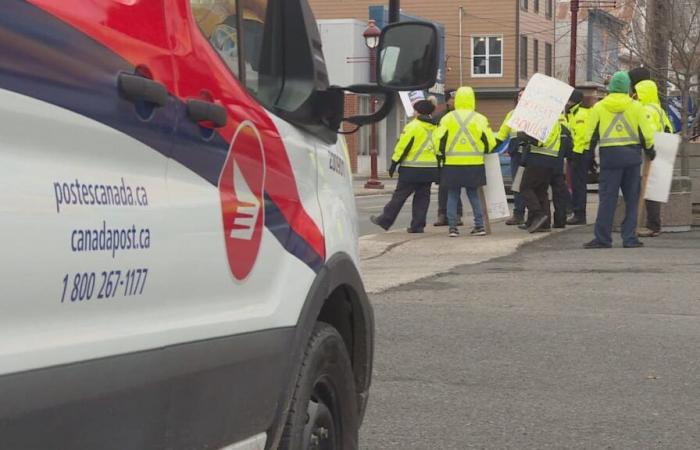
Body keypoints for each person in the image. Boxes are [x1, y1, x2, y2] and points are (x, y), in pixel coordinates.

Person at [582, 71, 656, 249]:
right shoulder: (636, 107)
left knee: (607, 199)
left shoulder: (599, 107)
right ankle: (629, 237)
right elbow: (645, 132)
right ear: (627, 88)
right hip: (632, 157)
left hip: (609, 158)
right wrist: (650, 149)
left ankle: (602, 238)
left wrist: (588, 155)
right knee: (632, 199)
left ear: (610, 87)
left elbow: (590, 134)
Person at [370, 92, 439, 233]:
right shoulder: (436, 128)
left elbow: (403, 146)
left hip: (411, 169)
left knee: (399, 196)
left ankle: (385, 220)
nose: (414, 112)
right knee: (422, 198)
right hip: (430, 170)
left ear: (419, 112)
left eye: (415, 110)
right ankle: (418, 226)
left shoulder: (413, 127)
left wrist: (394, 163)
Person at [434, 86, 496, 237]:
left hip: (452, 164)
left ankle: (453, 228)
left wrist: (441, 155)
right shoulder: (480, 118)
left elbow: (437, 140)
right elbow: (490, 142)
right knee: (473, 195)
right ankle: (479, 226)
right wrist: (484, 151)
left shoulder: (447, 118)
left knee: (452, 195)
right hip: (474, 163)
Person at [631, 74, 675, 238]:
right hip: (663, 149)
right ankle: (653, 224)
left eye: (637, 92)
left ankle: (652, 225)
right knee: (654, 190)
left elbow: (647, 132)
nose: (634, 95)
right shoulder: (659, 109)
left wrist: (648, 149)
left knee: (650, 190)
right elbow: (669, 129)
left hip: (652, 152)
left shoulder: (647, 110)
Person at [516, 117, 569, 233]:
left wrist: (522, 134)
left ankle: (538, 214)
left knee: (525, 188)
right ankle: (544, 224)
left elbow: (538, 141)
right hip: (551, 160)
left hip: (538, 159)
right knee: (540, 192)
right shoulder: (557, 124)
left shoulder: (543, 121)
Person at [496, 88, 527, 226]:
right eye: (519, 95)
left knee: (533, 185)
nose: (521, 98)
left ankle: (535, 214)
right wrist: (491, 147)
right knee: (517, 184)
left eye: (524, 95)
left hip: (532, 152)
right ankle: (518, 214)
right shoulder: (512, 114)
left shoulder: (537, 115)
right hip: (517, 154)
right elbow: (502, 134)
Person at [433, 89, 463, 226]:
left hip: (460, 157)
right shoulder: (439, 117)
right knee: (444, 187)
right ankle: (442, 214)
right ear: (446, 101)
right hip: (444, 157)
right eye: (453, 99)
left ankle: (457, 215)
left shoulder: (464, 116)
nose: (455, 101)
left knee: (455, 187)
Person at [565, 89, 593, 225]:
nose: (566, 103)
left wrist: (575, 154)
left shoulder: (580, 114)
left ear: (573, 101)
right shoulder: (574, 113)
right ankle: (578, 213)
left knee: (579, 185)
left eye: (569, 100)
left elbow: (581, 136)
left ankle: (579, 215)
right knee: (577, 185)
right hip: (579, 153)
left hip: (580, 153)